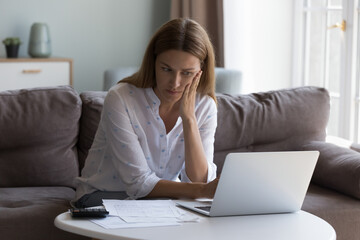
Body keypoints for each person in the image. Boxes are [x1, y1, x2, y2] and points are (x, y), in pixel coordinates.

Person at [72, 18, 219, 208]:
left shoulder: (206, 107)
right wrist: (200, 190)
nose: (175, 83)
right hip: (102, 196)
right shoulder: (121, 98)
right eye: (166, 69)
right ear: (153, 62)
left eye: (187, 73)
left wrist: (189, 120)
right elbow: (137, 183)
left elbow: (201, 181)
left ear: (201, 71)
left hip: (161, 200)